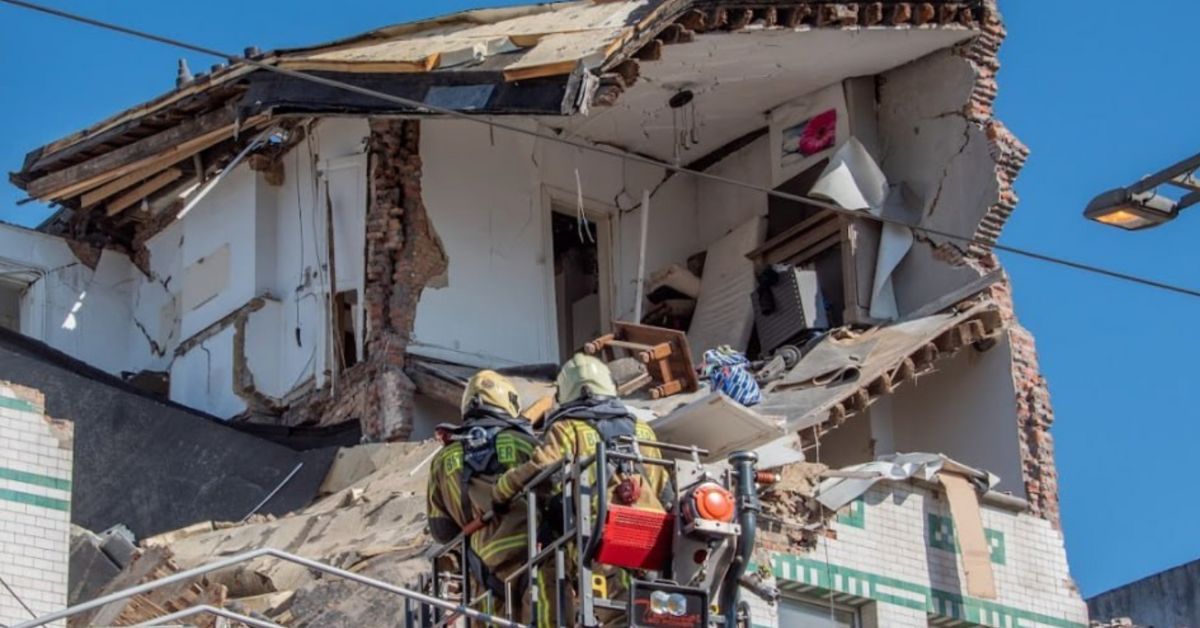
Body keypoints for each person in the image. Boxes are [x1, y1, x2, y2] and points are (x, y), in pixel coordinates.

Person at [492, 354, 674, 627]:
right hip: (652, 537)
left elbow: (542, 469)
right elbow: (664, 491)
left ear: (567, 393)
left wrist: (502, 490)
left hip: (598, 536)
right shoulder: (642, 429)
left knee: (620, 613)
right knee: (648, 608)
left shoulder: (567, 428)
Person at [427, 370, 540, 624]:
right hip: (534, 556)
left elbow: (441, 530)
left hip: (482, 569)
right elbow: (554, 496)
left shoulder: (442, 460)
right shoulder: (526, 444)